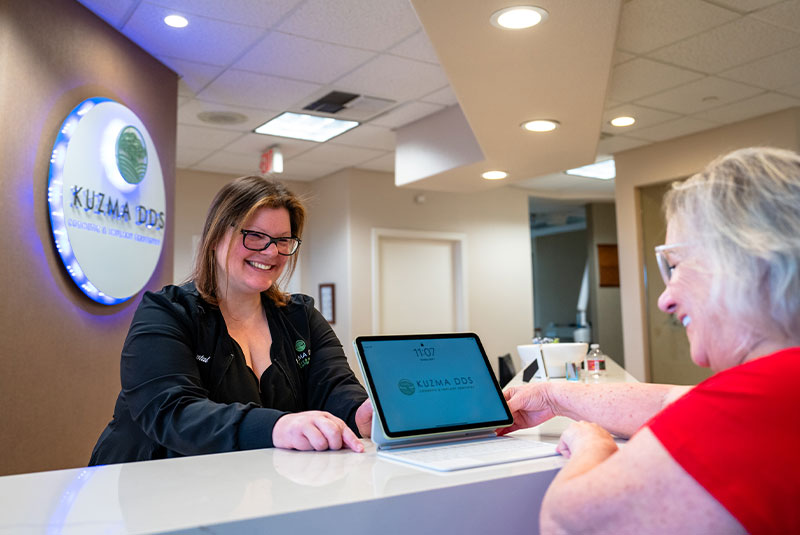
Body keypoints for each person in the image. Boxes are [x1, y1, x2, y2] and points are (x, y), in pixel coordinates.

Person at [500, 147, 800, 534]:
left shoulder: (759, 401)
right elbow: (672, 402)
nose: (665, 299)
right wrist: (552, 396)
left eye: (675, 266)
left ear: (746, 262)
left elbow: (568, 522)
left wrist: (592, 444)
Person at [90, 176, 373, 465]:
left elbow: (334, 386)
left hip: (249, 482)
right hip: (148, 480)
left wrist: (359, 413)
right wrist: (275, 427)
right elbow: (172, 410)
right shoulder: (167, 312)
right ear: (215, 238)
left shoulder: (301, 317)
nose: (271, 251)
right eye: (255, 235)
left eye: (282, 240)